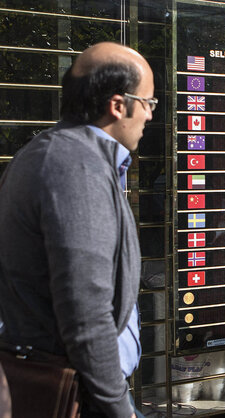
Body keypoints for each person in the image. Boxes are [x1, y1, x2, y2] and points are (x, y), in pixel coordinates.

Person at [0, 42, 154, 417]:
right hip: (76, 393)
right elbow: (85, 311)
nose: (150, 115)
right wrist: (118, 407)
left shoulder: (62, 155)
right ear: (118, 105)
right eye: (149, 102)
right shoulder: (75, 168)